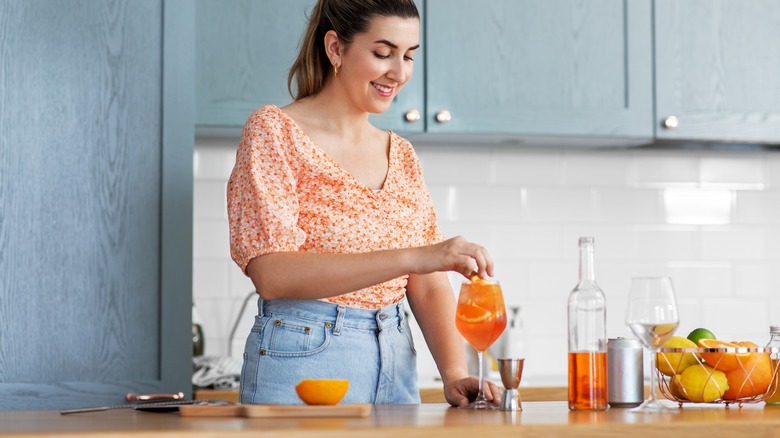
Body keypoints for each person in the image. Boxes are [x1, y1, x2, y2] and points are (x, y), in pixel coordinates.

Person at [227, 0, 501, 407]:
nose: (400, 72)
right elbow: (271, 272)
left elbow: (425, 283)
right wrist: (414, 257)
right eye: (383, 53)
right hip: (305, 357)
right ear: (335, 48)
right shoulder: (275, 131)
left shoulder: (401, 154)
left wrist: (454, 372)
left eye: (408, 56)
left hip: (395, 353)